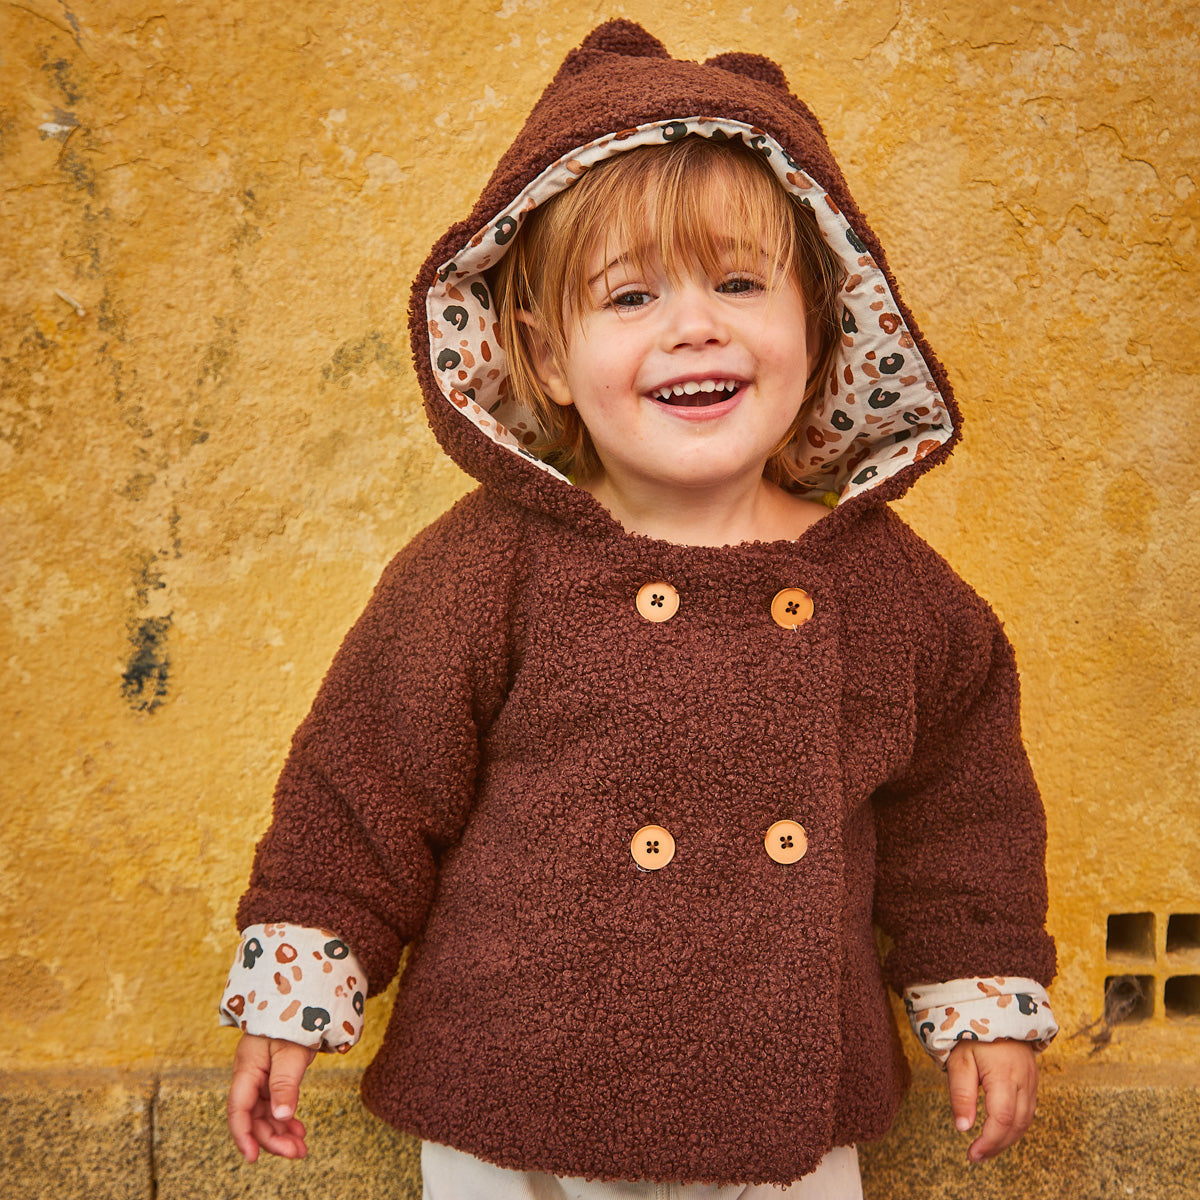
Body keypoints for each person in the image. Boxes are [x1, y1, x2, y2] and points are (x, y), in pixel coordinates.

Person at [220, 21, 1058, 1198]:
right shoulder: (485, 567)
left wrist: (980, 994)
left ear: (822, 328)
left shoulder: (885, 585)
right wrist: (303, 982)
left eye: (738, 283)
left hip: (785, 1102)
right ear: (546, 355)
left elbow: (961, 808)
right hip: (514, 1083)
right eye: (630, 296)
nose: (694, 326)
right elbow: (364, 781)